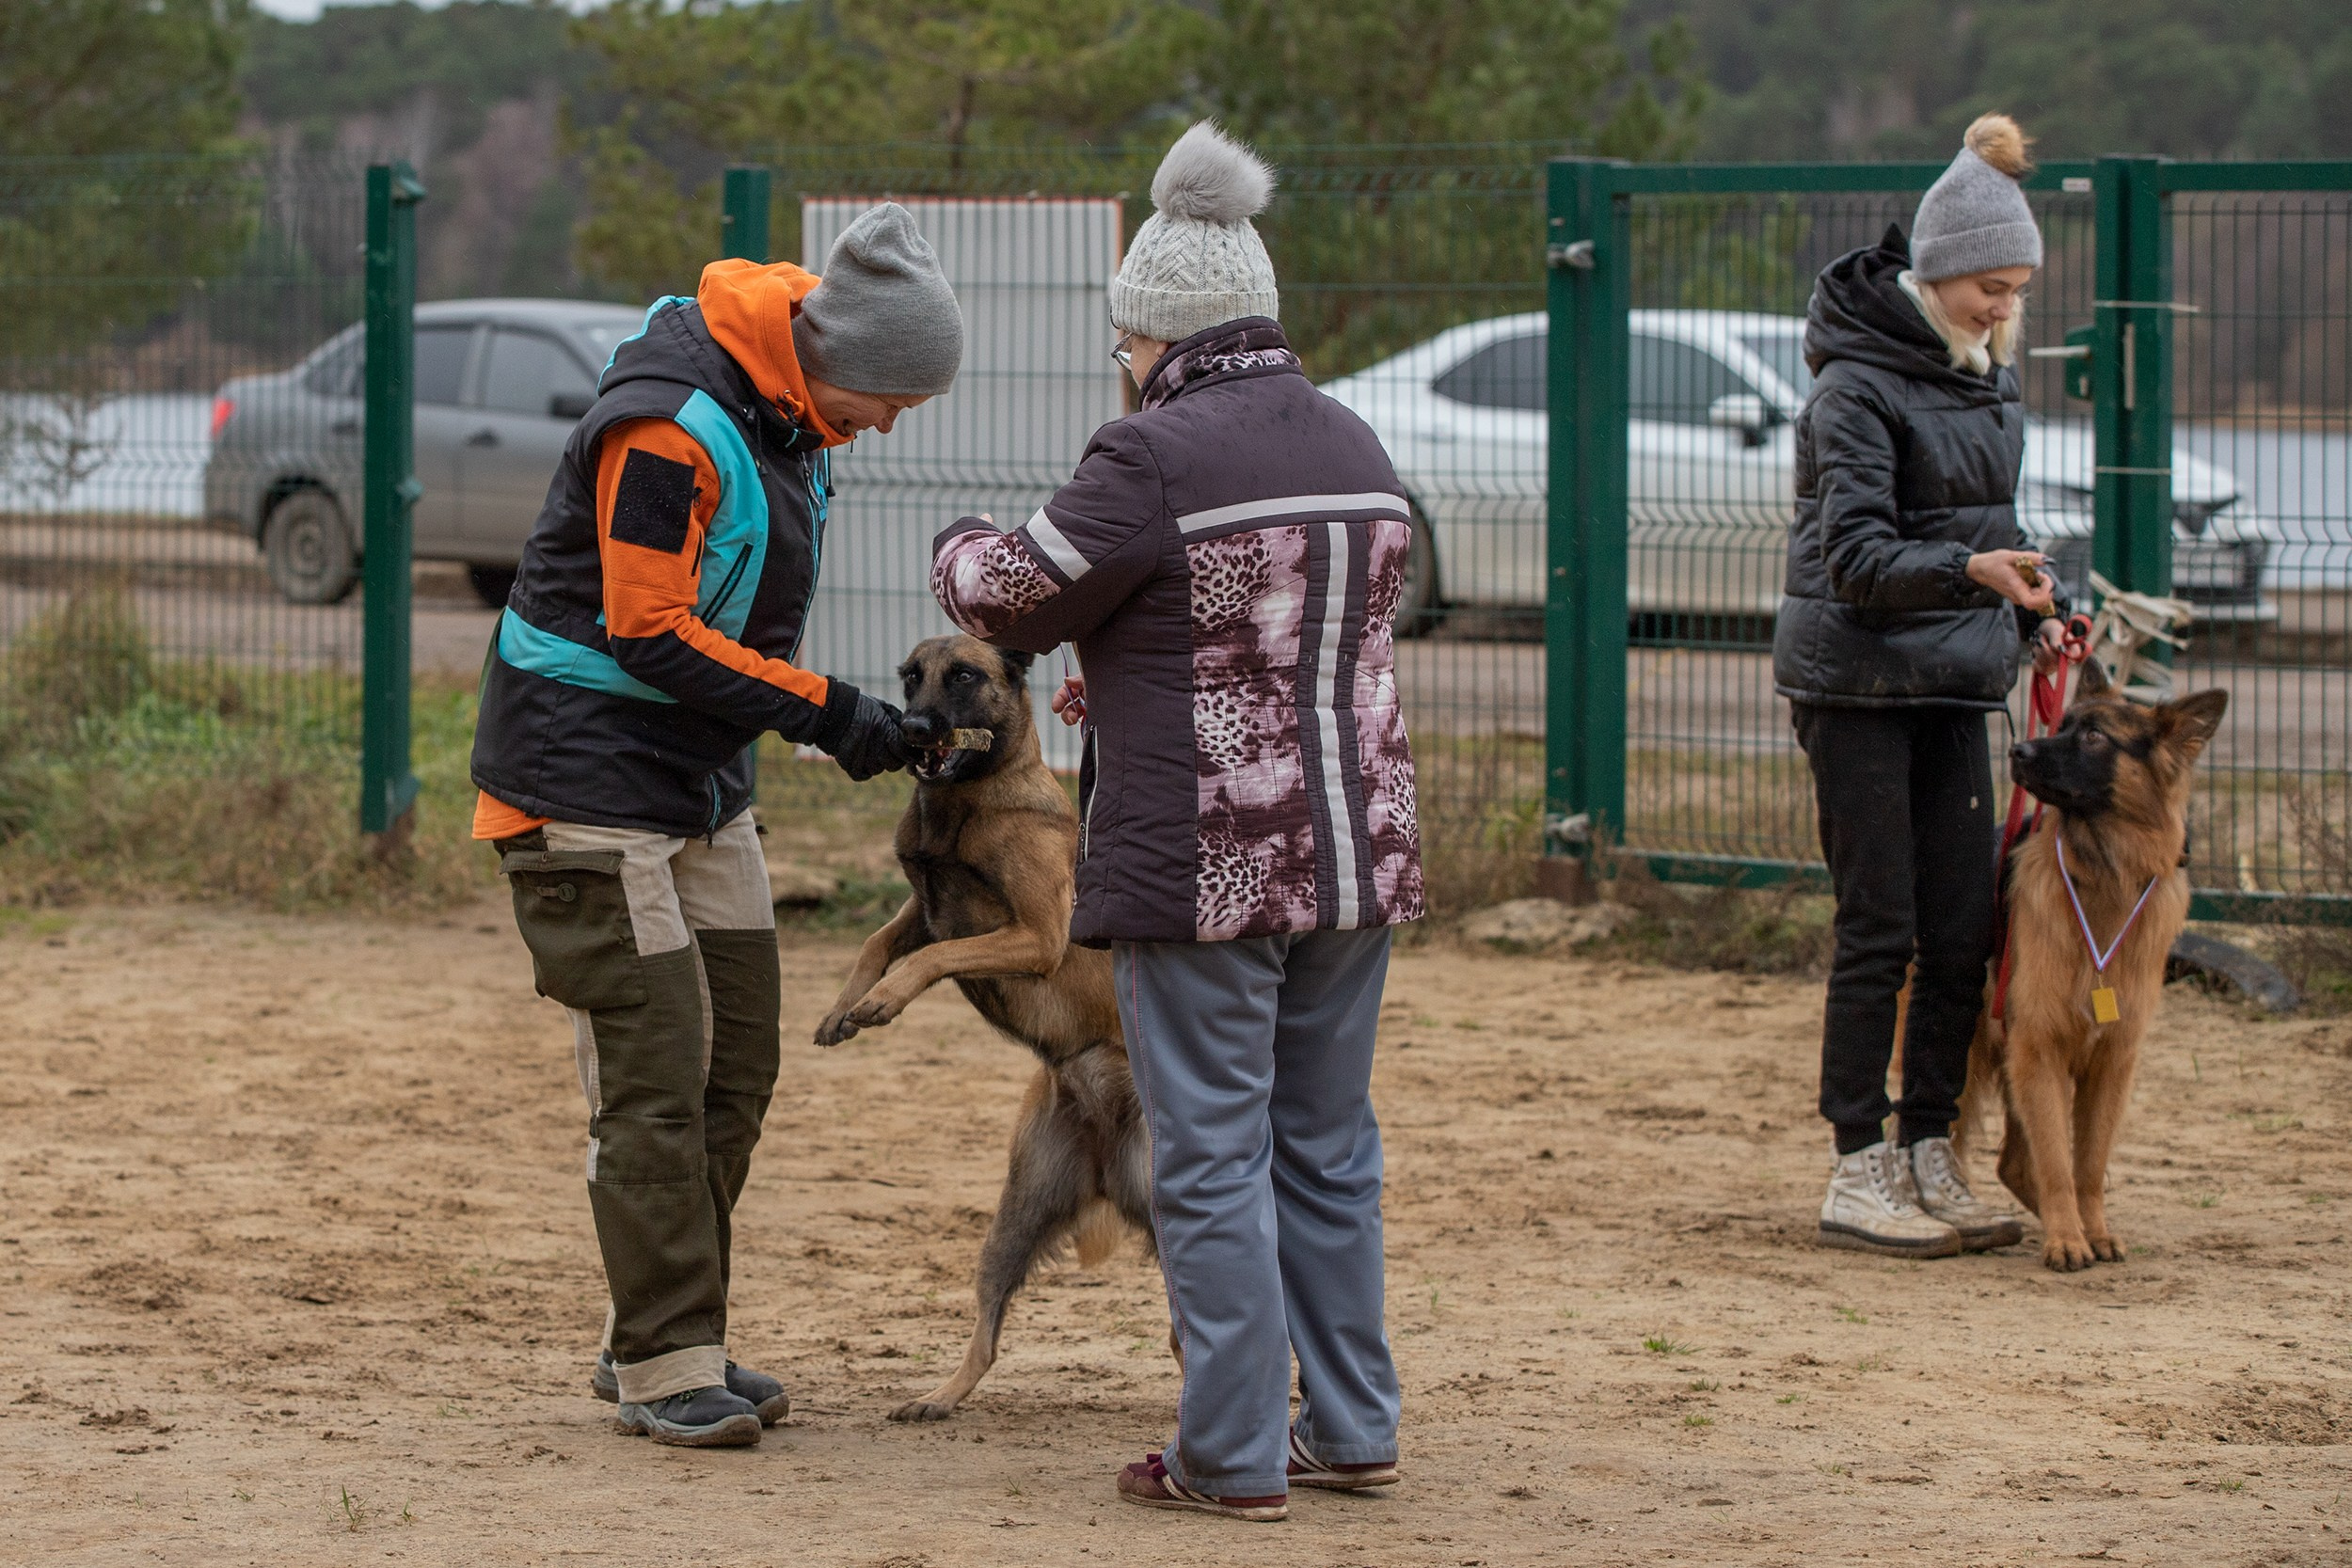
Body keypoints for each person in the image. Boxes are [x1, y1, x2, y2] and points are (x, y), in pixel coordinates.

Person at [930, 121, 1422, 1522]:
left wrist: (958, 535)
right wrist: (1136, 679)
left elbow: (1011, 593)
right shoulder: (1355, 440)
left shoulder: (1147, 451)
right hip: (1358, 847)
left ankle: (1227, 1451)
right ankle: (1353, 1422)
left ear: (1147, 333)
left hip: (1207, 862)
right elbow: (1281, 638)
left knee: (1206, 1154)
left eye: (1122, 346)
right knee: (1327, 1144)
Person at [469, 204, 961, 1448]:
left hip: (699, 784)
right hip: (580, 781)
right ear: (840, 360)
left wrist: (825, 718)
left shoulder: (790, 413)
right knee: (653, 1075)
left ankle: (662, 1324)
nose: (894, 420)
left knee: (737, 1063)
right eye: (892, 397)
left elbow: (733, 622)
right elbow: (645, 626)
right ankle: (663, 1353)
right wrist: (833, 711)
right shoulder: (670, 424)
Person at [1773, 114, 2066, 1259]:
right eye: (1990, 286)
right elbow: (1854, 558)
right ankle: (1858, 1159)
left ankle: (1931, 1143)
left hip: (1954, 681)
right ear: (1937, 275)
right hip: (1852, 684)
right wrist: (1968, 571)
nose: (2005, 308)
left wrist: (2036, 602)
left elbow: (1992, 533)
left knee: (1962, 930)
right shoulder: (1851, 390)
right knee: (1879, 927)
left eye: (2017, 289)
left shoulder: (1990, 389)